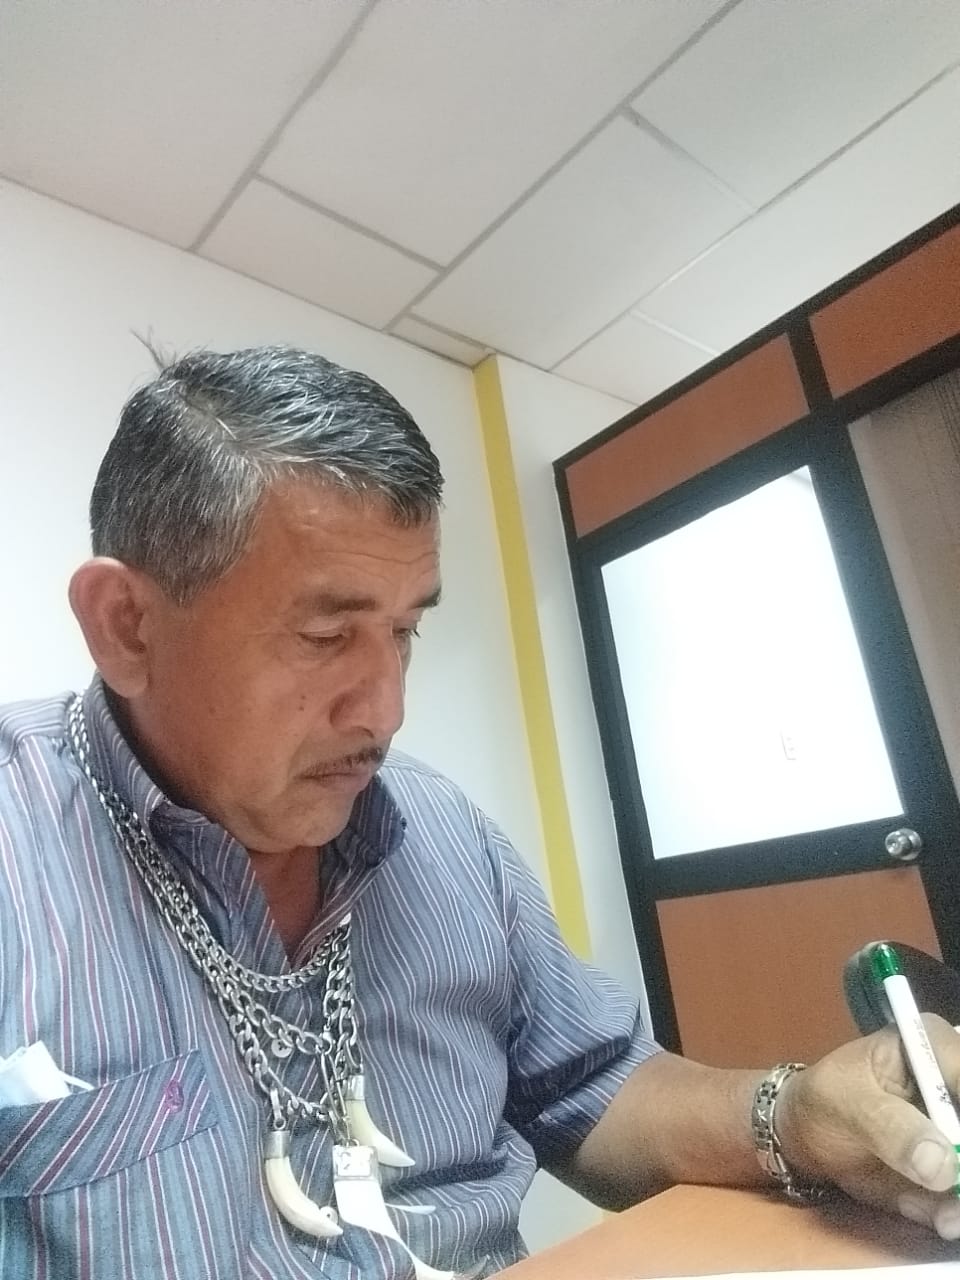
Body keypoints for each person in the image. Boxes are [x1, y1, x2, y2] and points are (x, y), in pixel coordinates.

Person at [1, 345, 959, 1280]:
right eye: (325, 634)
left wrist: (794, 1115)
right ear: (127, 626)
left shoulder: (442, 832)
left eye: (405, 630)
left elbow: (593, 1084)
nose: (385, 709)